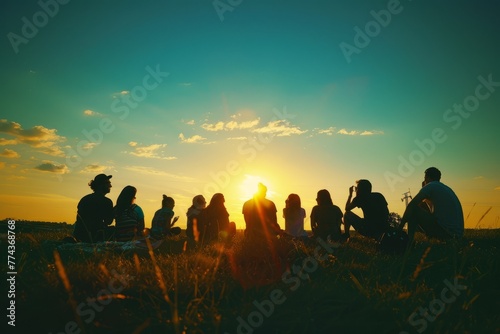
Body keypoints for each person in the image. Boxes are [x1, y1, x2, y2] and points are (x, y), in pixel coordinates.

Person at [399, 167, 464, 242]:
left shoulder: (430, 186)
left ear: (427, 177)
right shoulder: (444, 188)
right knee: (420, 207)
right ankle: (420, 241)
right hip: (457, 236)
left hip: (446, 234)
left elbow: (412, 205)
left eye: (424, 178)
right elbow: (429, 211)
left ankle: (408, 243)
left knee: (414, 210)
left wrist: (400, 226)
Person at [73, 174, 114, 243]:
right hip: (95, 236)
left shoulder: (84, 199)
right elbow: (109, 221)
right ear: (101, 185)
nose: (110, 186)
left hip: (79, 235)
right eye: (108, 183)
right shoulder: (106, 202)